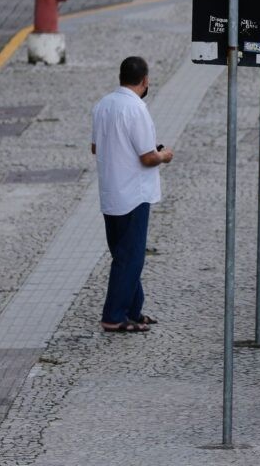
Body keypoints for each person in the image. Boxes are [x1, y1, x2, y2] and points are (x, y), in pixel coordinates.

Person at [91, 56, 173, 333]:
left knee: (123, 254)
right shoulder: (135, 109)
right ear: (145, 80)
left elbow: (95, 147)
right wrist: (164, 155)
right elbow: (148, 157)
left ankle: (132, 310)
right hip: (134, 194)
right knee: (131, 257)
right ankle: (113, 316)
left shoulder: (102, 105)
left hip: (110, 192)